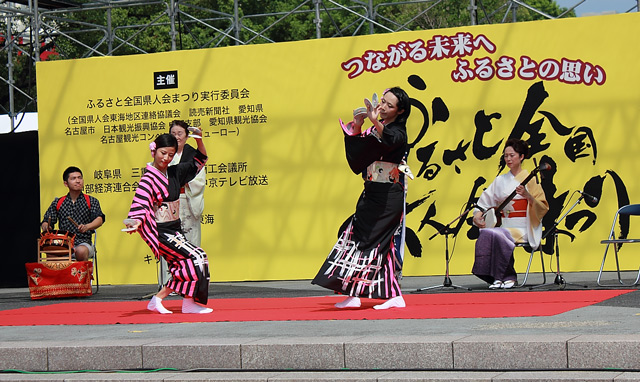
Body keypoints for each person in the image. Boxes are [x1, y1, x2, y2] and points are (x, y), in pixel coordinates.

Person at [312, 87, 412, 310]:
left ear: (400, 110)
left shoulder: (397, 131)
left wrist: (375, 123)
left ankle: (390, 295)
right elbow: (358, 158)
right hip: (372, 194)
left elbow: (391, 141)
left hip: (388, 197)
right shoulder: (376, 129)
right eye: (383, 102)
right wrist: (357, 125)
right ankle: (360, 293)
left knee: (371, 242)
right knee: (359, 238)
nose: (383, 107)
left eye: (389, 105)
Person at [124, 132, 212, 314]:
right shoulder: (148, 178)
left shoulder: (174, 172)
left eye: (171, 155)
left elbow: (200, 160)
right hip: (160, 231)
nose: (166, 158)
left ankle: (183, 302)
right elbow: (140, 203)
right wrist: (135, 222)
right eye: (163, 153)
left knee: (192, 261)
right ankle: (161, 299)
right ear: (154, 151)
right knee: (195, 257)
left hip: (174, 228)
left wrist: (199, 140)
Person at [471, 138, 549, 289]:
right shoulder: (500, 180)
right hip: (505, 226)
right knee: (487, 233)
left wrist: (528, 196)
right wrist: (477, 216)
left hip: (525, 227)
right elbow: (484, 202)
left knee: (498, 234)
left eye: (512, 155)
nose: (508, 159)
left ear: (521, 157)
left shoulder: (531, 180)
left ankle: (508, 276)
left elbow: (543, 207)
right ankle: (496, 277)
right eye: (506, 156)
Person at [41, 166, 105, 262]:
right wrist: (46, 226)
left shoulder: (91, 201)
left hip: (84, 243)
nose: (78, 181)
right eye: (73, 178)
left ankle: (81, 276)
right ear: (66, 183)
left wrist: (87, 227)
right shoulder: (58, 202)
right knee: (51, 251)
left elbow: (99, 219)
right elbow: (46, 221)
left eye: (80, 178)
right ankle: (57, 277)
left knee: (80, 251)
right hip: (64, 243)